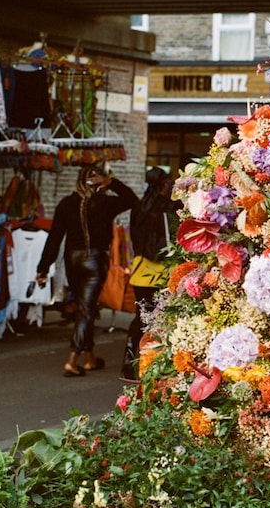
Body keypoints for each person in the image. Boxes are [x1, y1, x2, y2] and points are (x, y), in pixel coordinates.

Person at [36, 163, 137, 377]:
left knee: (85, 308)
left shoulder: (66, 203)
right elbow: (132, 200)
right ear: (98, 183)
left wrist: (43, 268)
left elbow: (55, 238)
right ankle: (72, 360)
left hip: (72, 260)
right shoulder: (105, 203)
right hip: (95, 260)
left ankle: (89, 358)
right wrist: (111, 183)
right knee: (86, 309)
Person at [122, 166, 177, 381]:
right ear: (164, 185)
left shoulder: (139, 207)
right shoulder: (169, 209)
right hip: (162, 272)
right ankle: (153, 364)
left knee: (140, 317)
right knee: (160, 318)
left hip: (141, 271)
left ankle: (129, 361)